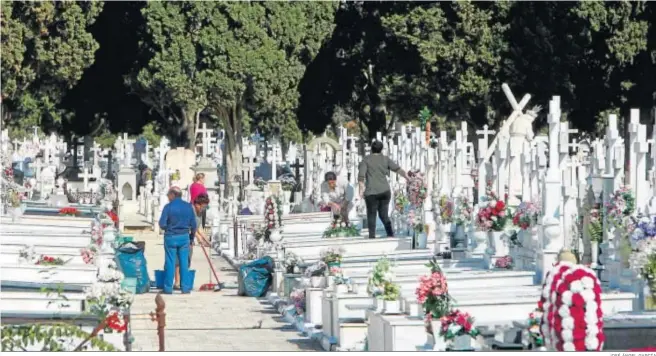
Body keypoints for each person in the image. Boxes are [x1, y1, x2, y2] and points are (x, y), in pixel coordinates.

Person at [358, 140, 409, 239]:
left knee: (371, 214)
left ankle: (372, 237)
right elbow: (398, 169)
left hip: (371, 192)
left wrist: (361, 190)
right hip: (385, 191)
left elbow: (361, 176)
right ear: (381, 149)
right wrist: (408, 178)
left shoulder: (366, 160)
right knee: (384, 214)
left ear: (371, 149)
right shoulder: (385, 159)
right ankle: (390, 234)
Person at [159, 186, 197, 294]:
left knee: (170, 262)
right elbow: (193, 225)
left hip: (171, 236)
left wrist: (168, 228)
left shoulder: (168, 207)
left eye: (168, 195)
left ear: (173, 195)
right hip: (184, 237)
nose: (167, 197)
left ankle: (168, 288)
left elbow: (162, 224)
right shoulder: (188, 207)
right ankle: (185, 287)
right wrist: (191, 238)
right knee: (184, 262)